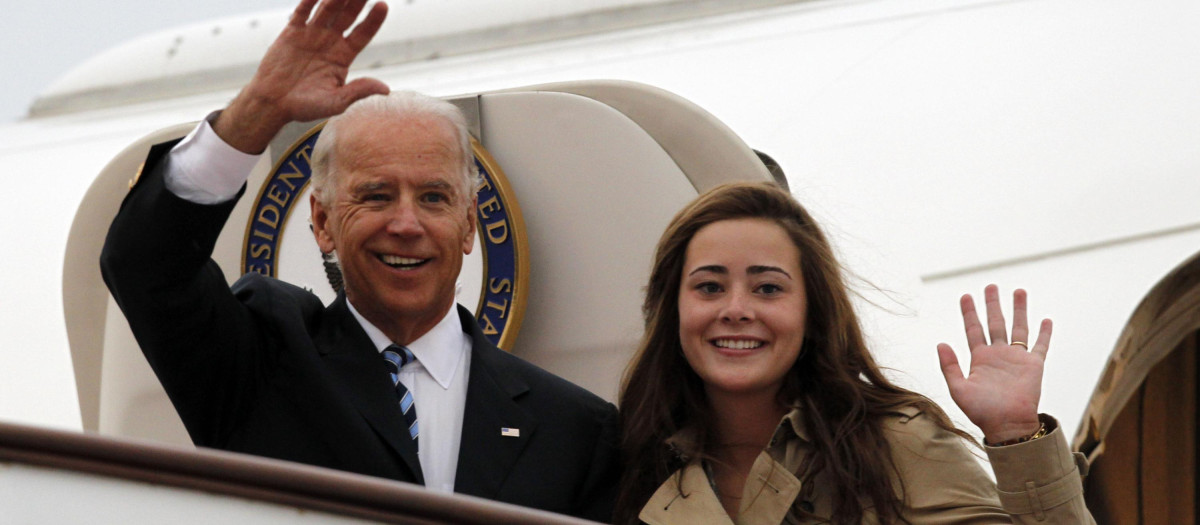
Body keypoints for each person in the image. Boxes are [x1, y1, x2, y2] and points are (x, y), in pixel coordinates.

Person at [99, 0, 618, 520]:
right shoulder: (261, 365)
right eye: (376, 196)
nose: (406, 224)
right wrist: (256, 111)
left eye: (434, 198)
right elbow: (146, 263)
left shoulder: (574, 428)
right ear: (323, 224)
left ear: (468, 225)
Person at [615, 182, 1093, 524]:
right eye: (710, 286)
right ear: (672, 307)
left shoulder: (893, 443)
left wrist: (1015, 437)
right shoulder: (629, 460)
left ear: (812, 311)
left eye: (766, 288)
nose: (736, 309)